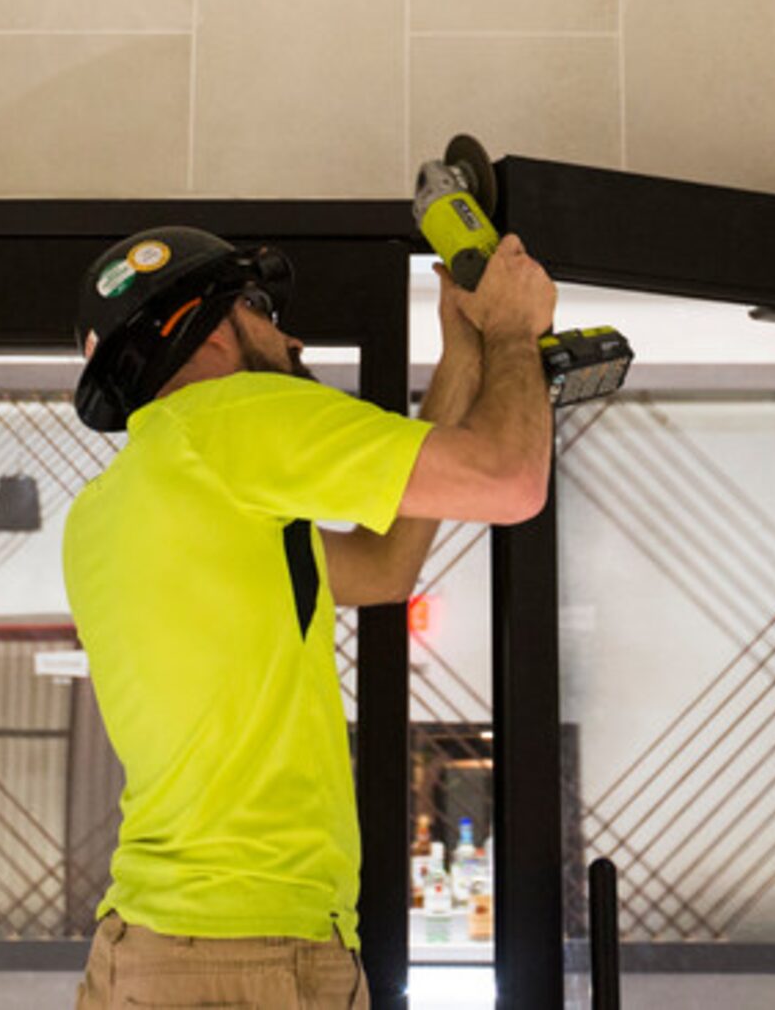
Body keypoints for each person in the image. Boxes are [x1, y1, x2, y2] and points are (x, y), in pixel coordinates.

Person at [62, 224, 558, 1010]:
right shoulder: (233, 420)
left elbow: (383, 569)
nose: (291, 335)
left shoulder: (114, 507)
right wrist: (514, 331)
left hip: (145, 953)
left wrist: (465, 352)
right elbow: (510, 481)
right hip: (250, 957)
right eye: (259, 308)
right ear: (203, 326)